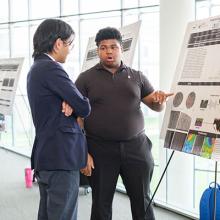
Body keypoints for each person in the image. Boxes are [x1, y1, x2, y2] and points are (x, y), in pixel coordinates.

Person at [75, 27, 173, 220]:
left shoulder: (137, 76)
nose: (108, 51)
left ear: (121, 49)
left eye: (113, 47)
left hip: (137, 149)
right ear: (98, 51)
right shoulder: (85, 78)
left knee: (142, 201)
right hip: (100, 150)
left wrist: (160, 102)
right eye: (103, 48)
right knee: (101, 203)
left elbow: (156, 106)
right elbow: (77, 118)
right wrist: (82, 152)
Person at [27, 19, 91, 220]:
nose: (70, 50)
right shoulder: (52, 69)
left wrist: (70, 102)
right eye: (70, 44)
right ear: (58, 44)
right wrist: (75, 104)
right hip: (61, 158)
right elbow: (84, 107)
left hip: (47, 155)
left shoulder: (36, 69)